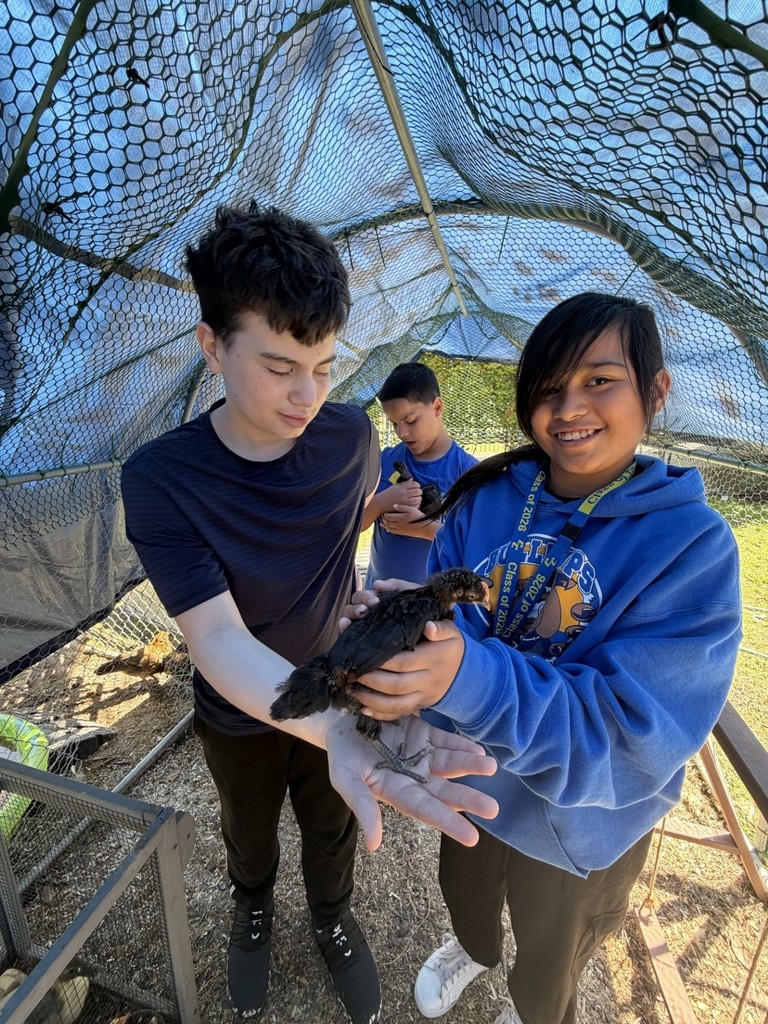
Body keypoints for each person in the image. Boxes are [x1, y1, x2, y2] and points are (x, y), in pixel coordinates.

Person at [119, 203, 498, 1024]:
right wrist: (324, 725)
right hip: (244, 709)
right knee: (247, 834)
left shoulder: (349, 438)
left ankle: (332, 918)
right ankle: (252, 911)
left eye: (324, 367)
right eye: (281, 365)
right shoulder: (161, 479)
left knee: (334, 831)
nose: (306, 395)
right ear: (212, 345)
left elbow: (333, 548)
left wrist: (353, 612)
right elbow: (215, 632)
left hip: (347, 690)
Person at [341, 292, 742, 1024]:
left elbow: (627, 733)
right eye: (549, 389)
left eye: (599, 380)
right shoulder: (487, 495)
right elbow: (453, 617)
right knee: (466, 896)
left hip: (582, 821)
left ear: (655, 391)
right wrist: (408, 628)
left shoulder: (693, 547)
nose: (569, 408)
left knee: (553, 953)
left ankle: (531, 1011)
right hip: (471, 774)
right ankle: (473, 950)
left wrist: (470, 674)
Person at [361, 362, 476, 586]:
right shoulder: (385, 461)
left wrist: (423, 528)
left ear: (437, 407)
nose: (402, 433)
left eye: (411, 421)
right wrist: (382, 502)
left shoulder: (467, 472)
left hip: (430, 604)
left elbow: (473, 543)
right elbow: (354, 525)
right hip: (378, 595)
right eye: (394, 424)